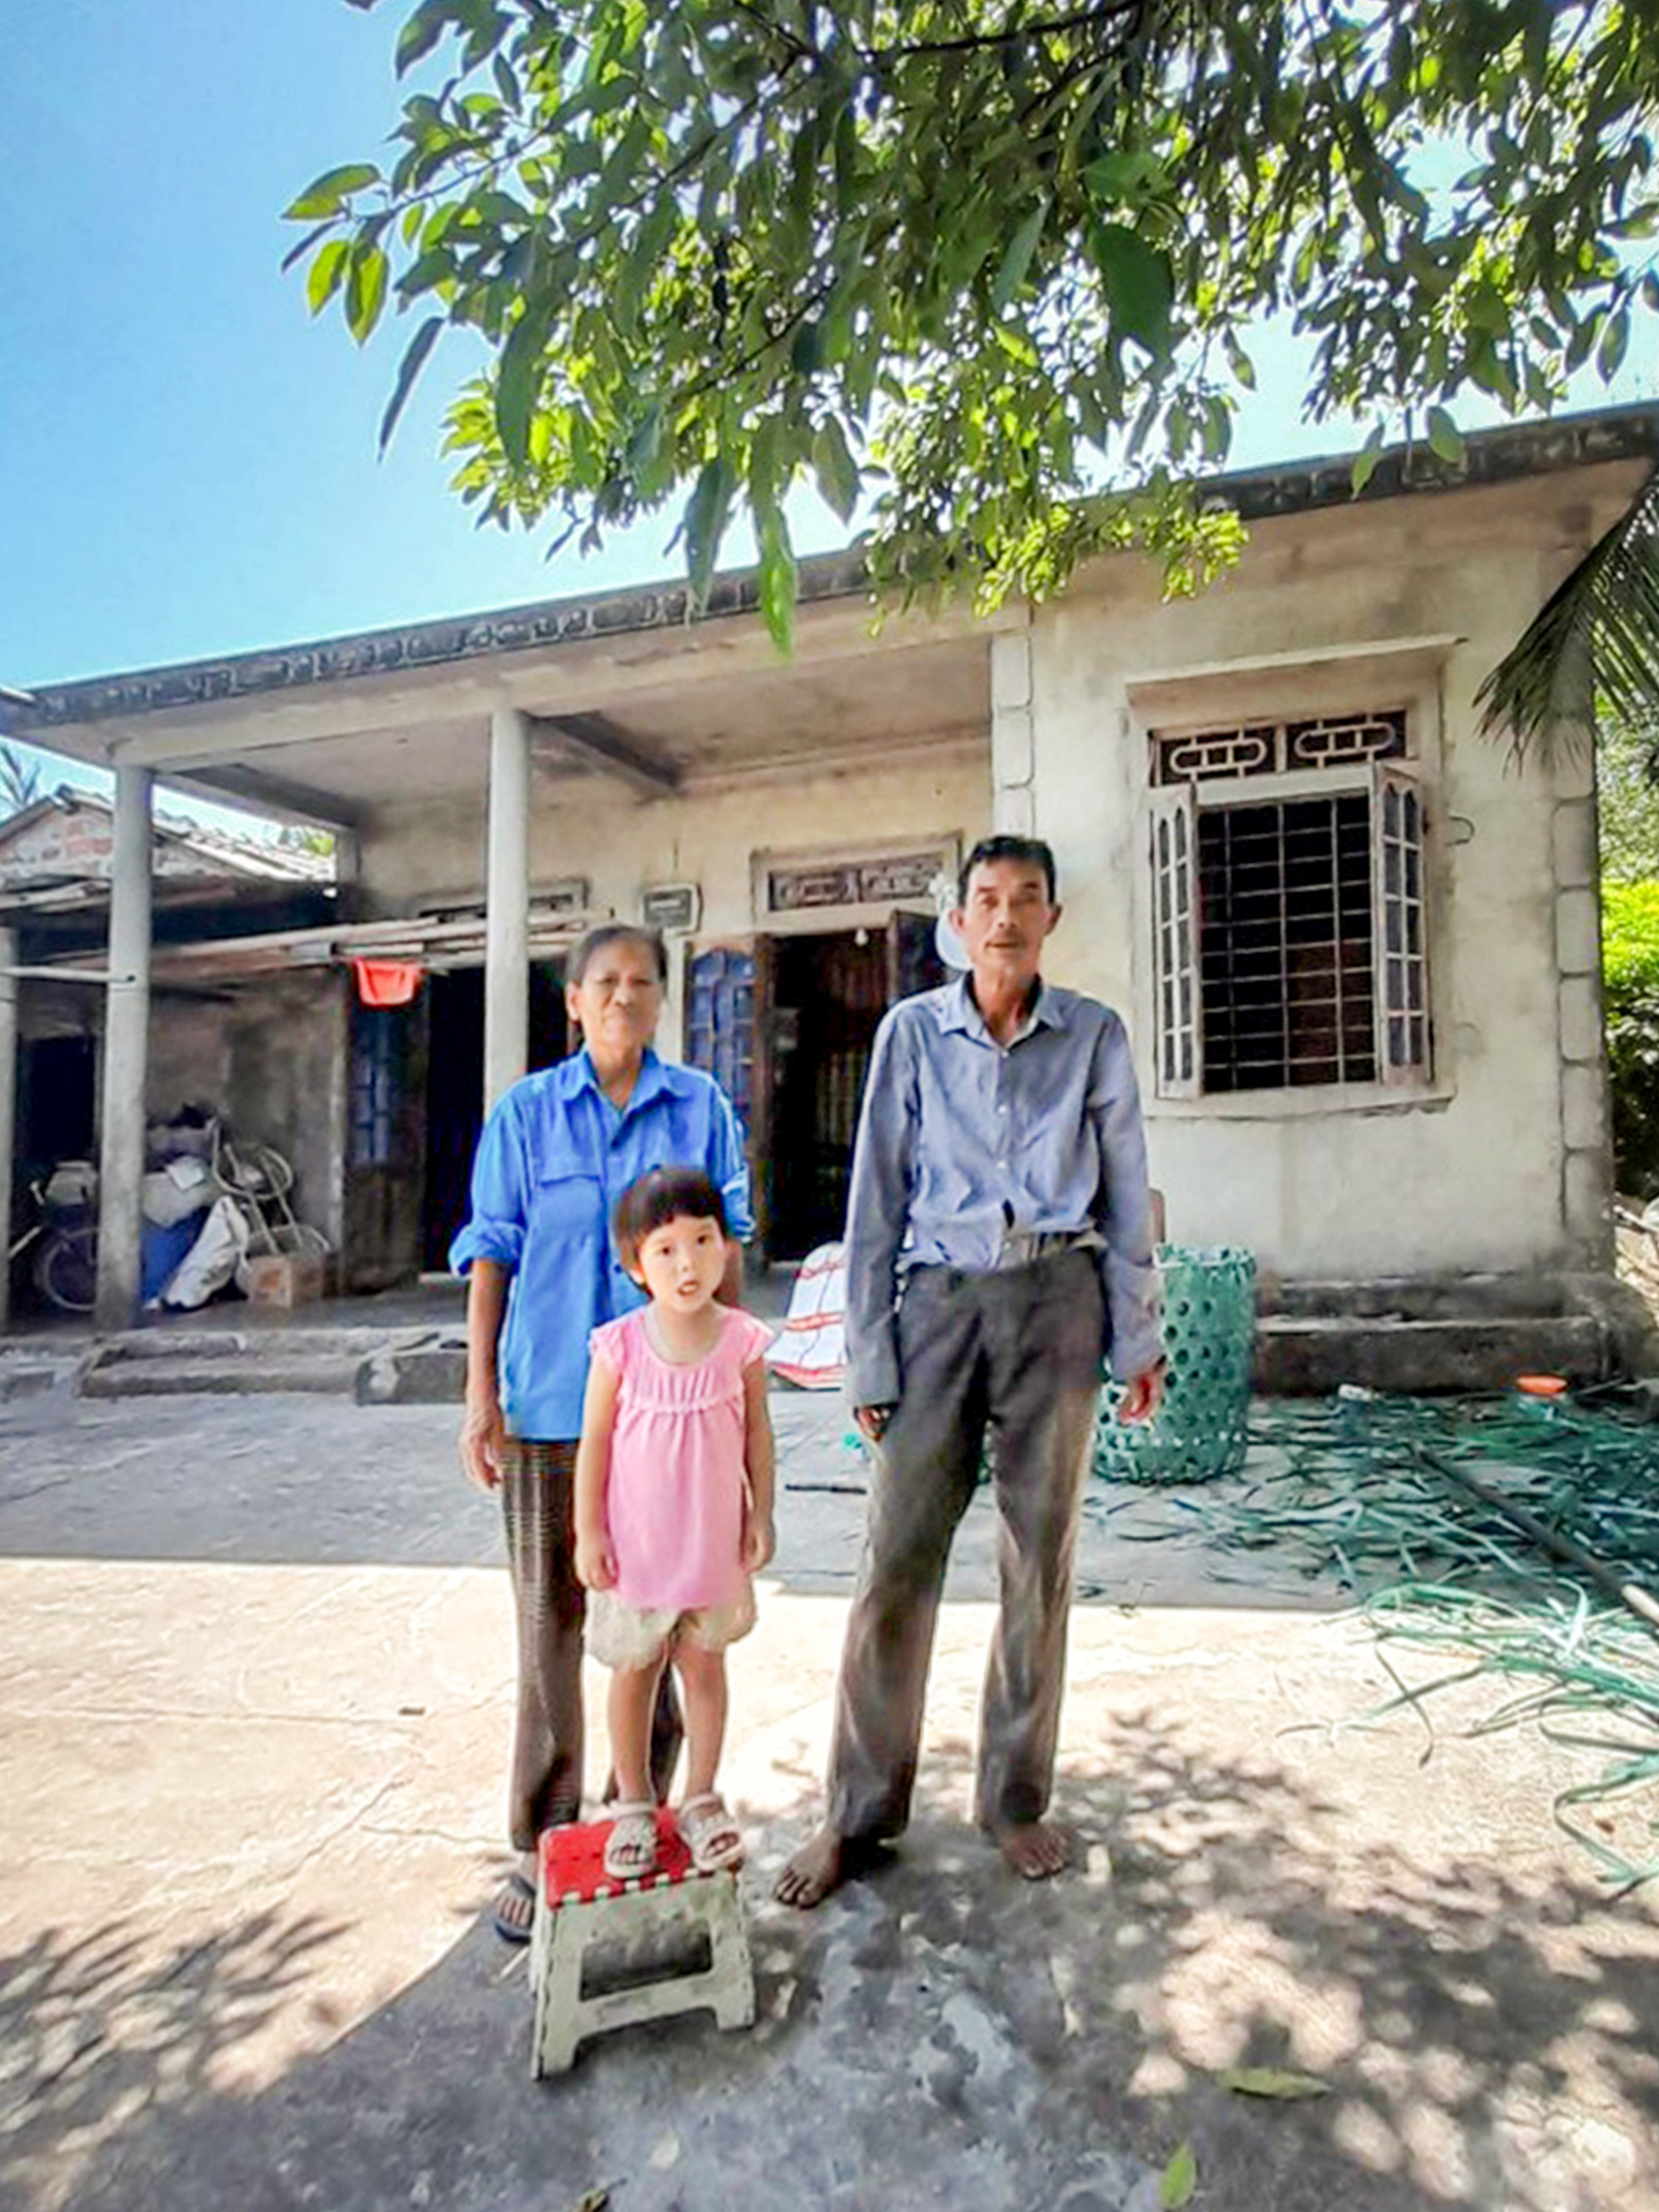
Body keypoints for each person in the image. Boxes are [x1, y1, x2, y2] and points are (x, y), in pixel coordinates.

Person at [776, 834, 1166, 1910]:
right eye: (987, 899)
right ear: (959, 921)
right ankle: (856, 1811)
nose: (1005, 918)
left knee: (1039, 1562)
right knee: (896, 1559)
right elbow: (874, 1203)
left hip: (1058, 1300)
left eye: (1026, 899)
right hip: (937, 1307)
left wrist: (1137, 1336)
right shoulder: (910, 1034)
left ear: (1051, 919)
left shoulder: (1094, 1034)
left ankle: (1015, 1799)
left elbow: (1128, 1190)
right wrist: (867, 1350)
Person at [451, 924, 753, 1941]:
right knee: (553, 1631)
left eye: (643, 982)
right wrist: (480, 1394)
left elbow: (728, 1254)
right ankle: (542, 1838)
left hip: (670, 1418)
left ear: (663, 999)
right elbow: (492, 1253)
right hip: (549, 1406)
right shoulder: (526, 1114)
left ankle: (644, 1809)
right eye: (606, 982)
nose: (625, 996)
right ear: (573, 1000)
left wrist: (732, 1394)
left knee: (662, 1626)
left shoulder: (701, 1108)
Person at [574, 1167, 776, 1877]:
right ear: (635, 1266)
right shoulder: (620, 1347)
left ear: (726, 1247)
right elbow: (595, 1442)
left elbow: (758, 1434)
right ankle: (632, 1801)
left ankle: (701, 1797)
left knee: (705, 1668)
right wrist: (590, 1532)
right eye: (665, 1249)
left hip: (712, 1546)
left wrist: (761, 1513)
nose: (687, 1263)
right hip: (637, 1550)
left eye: (702, 1240)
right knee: (634, 1671)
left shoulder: (742, 1343)